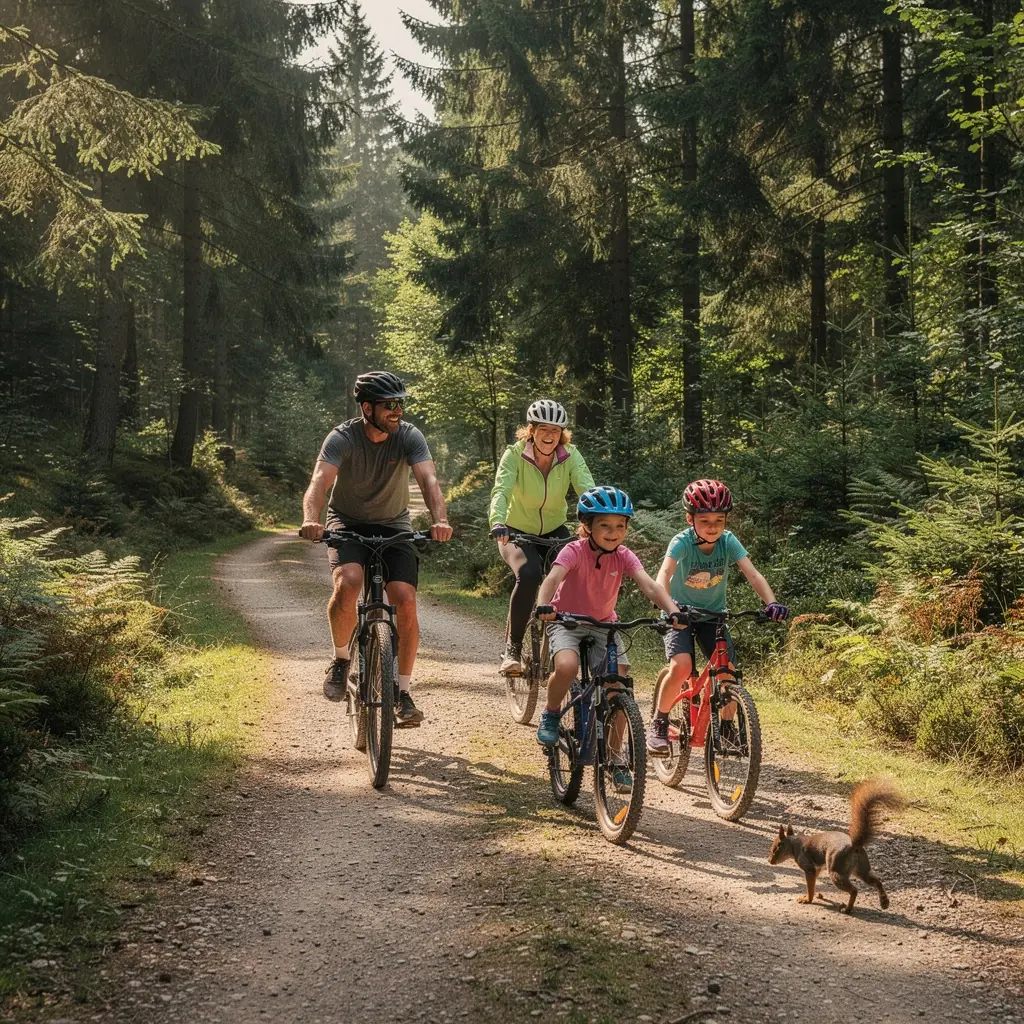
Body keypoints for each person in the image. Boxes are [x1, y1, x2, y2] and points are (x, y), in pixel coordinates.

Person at [299, 371, 453, 725]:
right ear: (367, 408)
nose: (397, 411)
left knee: (406, 599)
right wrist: (312, 518)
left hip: (394, 524)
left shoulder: (409, 436)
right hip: (347, 522)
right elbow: (320, 481)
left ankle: (402, 692)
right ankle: (341, 661)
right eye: (389, 405)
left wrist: (439, 520)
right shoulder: (342, 438)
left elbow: (428, 479)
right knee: (348, 584)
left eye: (400, 403)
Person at [533, 486, 683, 776]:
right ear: (587, 527)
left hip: (605, 624)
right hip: (566, 621)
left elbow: (650, 586)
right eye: (604, 525)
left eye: (620, 526)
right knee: (566, 666)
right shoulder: (573, 550)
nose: (613, 532)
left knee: (618, 685)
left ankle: (615, 757)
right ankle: (551, 714)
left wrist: (672, 610)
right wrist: (543, 605)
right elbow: (552, 579)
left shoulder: (624, 555)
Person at [646, 478, 788, 756]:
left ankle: (726, 728)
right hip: (680, 614)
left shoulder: (728, 541)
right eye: (705, 521)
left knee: (728, 673)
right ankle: (659, 723)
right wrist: (669, 605)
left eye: (719, 521)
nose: (713, 527)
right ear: (690, 519)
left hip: (713, 615)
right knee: (682, 667)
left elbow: (753, 574)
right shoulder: (682, 542)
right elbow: (663, 575)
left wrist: (771, 602)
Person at [489, 400, 595, 675]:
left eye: (556, 430)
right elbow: (501, 489)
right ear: (531, 430)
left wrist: (597, 521)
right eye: (544, 429)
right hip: (515, 530)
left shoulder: (570, 455)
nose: (550, 435)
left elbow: (587, 489)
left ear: (562, 434)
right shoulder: (514, 455)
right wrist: (498, 521)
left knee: (573, 572)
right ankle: (512, 649)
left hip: (554, 528)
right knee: (530, 572)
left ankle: (569, 638)